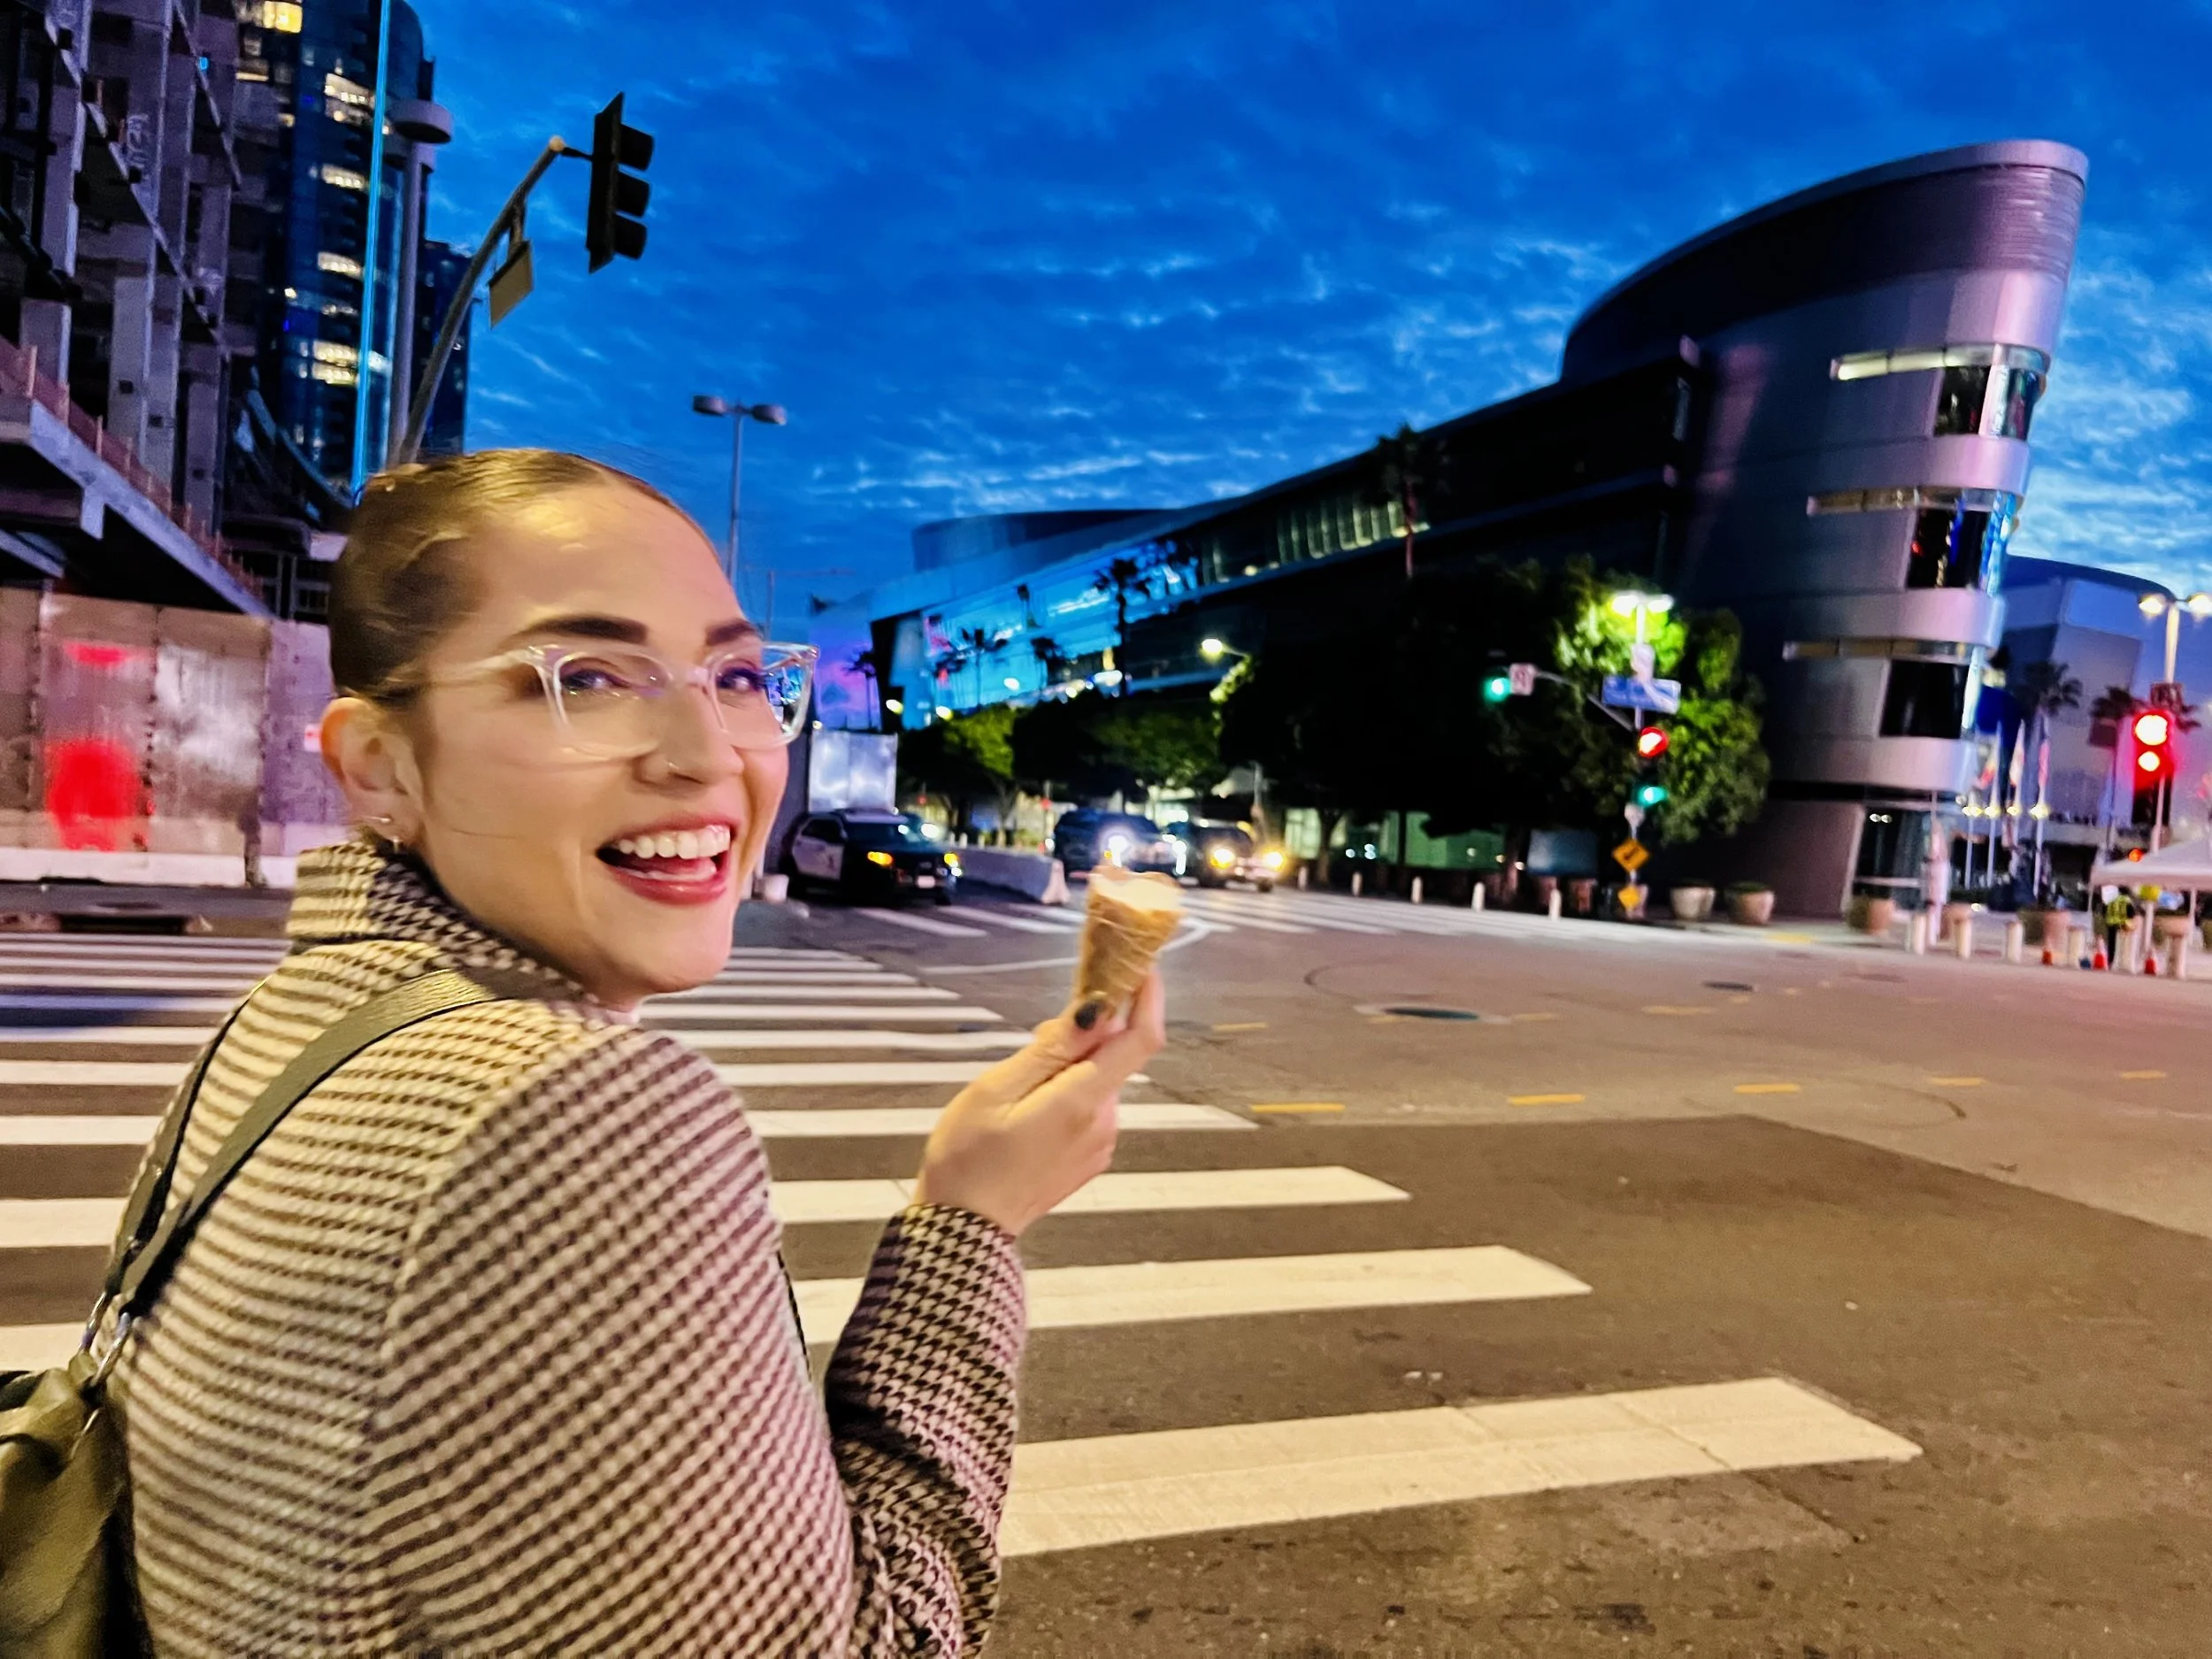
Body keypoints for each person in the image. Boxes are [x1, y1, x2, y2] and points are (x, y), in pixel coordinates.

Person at [111, 449, 1164, 1655]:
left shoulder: (300, 1022)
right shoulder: (563, 1106)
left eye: (732, 673)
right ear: (379, 765)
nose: (708, 752)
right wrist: (970, 1226)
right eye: (591, 676)